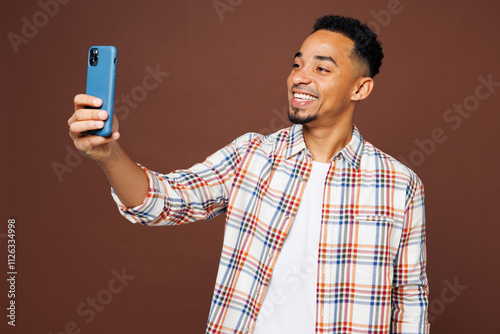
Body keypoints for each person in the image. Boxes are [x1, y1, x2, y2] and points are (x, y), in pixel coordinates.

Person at [68, 15, 429, 334]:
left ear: (360, 88)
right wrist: (108, 154)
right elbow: (160, 202)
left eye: (321, 69)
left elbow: (409, 299)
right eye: (296, 64)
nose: (299, 78)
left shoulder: (399, 184)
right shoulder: (251, 156)